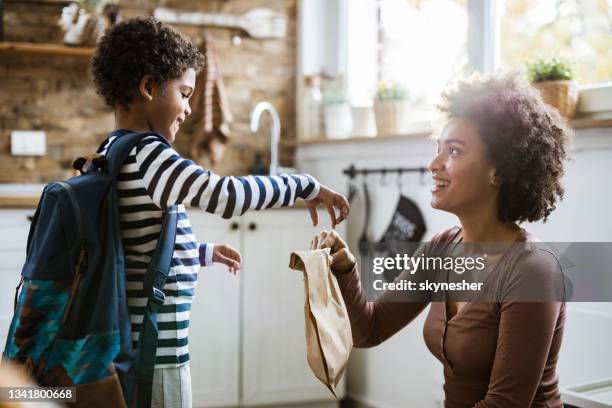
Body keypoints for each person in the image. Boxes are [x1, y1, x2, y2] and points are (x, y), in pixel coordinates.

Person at [90, 17, 349, 408]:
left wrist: (201, 254)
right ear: (148, 88)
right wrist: (304, 185)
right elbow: (226, 195)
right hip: (156, 357)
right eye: (184, 92)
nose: (189, 109)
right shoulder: (150, 154)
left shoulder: (113, 149)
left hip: (135, 347)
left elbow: (137, 245)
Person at [311, 74, 571, 407]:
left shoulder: (533, 271)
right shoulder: (443, 248)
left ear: (500, 171)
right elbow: (369, 330)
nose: (434, 165)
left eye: (454, 151)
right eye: (438, 149)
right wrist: (345, 270)